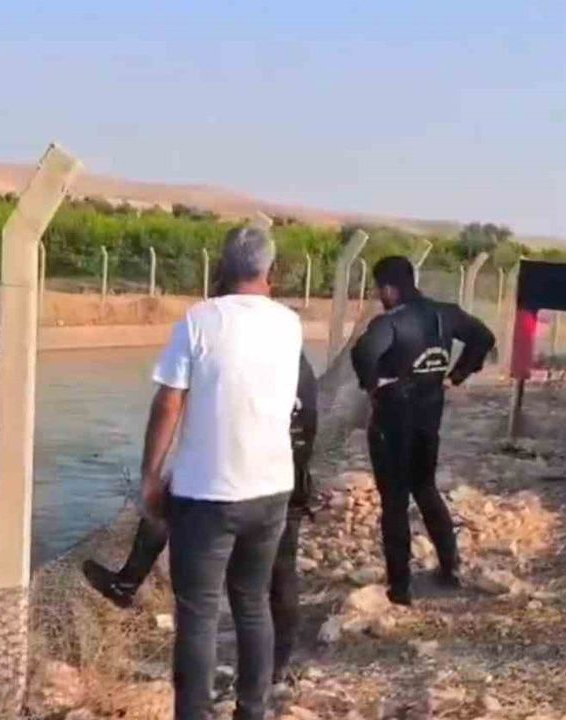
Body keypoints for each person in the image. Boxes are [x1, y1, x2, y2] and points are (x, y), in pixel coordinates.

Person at [139, 225, 302, 720]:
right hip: (271, 488)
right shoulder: (289, 323)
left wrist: (151, 476)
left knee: (199, 613)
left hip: (207, 494)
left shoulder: (199, 320)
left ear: (221, 267)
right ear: (271, 272)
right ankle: (253, 710)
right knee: (252, 603)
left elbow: (169, 401)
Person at [80, 349, 317, 683]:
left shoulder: (252, 360)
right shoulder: (297, 363)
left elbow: (196, 413)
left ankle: (128, 584)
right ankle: (276, 670)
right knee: (279, 575)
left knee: (201, 585)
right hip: (288, 478)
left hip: (243, 481)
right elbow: (308, 425)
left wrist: (161, 470)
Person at [350, 256, 496, 606]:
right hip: (429, 416)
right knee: (425, 487)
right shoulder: (445, 314)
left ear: (388, 289)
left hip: (392, 421)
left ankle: (400, 588)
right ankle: (450, 567)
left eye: (380, 291)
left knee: (395, 501)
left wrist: (372, 384)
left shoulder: (391, 322)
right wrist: (456, 375)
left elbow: (364, 352)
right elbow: (483, 337)